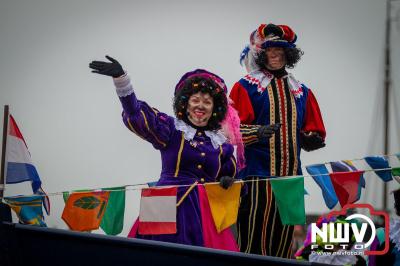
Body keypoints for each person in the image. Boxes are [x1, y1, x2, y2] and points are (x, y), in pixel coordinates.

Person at [89, 56, 240, 251]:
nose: (200, 106)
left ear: (215, 109)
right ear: (185, 104)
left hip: (205, 212)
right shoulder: (171, 129)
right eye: (195, 100)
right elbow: (137, 115)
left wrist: (228, 182)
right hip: (163, 203)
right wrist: (121, 80)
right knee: (154, 256)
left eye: (207, 102)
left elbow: (233, 178)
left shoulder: (221, 144)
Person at [229, 23, 327, 257]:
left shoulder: (301, 91)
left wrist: (311, 138)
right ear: (261, 54)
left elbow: (315, 129)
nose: (275, 55)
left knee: (284, 246)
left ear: (288, 54)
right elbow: (229, 132)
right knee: (253, 242)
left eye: (281, 51)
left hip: (291, 178)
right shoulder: (246, 87)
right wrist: (256, 132)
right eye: (270, 50)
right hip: (256, 177)